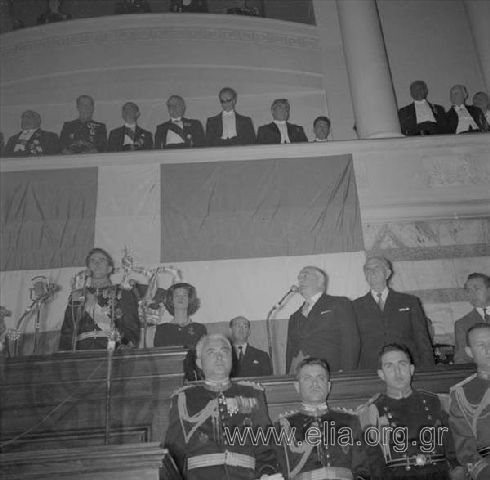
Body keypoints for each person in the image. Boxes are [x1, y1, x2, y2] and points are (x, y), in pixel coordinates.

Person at [164, 333, 282, 480]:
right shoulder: (184, 399)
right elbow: (173, 454)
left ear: (232, 360)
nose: (219, 357)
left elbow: (266, 447)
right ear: (199, 362)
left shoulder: (252, 394)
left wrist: (267, 474)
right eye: (211, 352)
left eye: (224, 352)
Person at [358, 343, 463, 479]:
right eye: (389, 366)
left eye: (402, 364)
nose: (397, 371)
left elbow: (453, 451)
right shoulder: (372, 412)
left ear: (411, 369)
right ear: (381, 374)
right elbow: (374, 463)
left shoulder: (436, 402)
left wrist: (458, 470)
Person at [276, 357, 372, 479]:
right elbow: (280, 473)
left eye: (320, 378)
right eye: (307, 378)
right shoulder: (283, 426)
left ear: (328, 386)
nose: (315, 383)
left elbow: (363, 470)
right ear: (297, 386)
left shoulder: (349, 421)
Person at [353, 256, 434, 369]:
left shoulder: (409, 302)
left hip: (406, 366)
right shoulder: (355, 306)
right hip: (371, 369)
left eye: (376, 267)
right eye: (367, 269)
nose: (372, 272)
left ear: (387, 273)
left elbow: (422, 338)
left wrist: (428, 369)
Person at [58, 248, 140, 351]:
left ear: (109, 268)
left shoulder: (122, 293)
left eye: (102, 260)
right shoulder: (77, 295)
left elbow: (131, 326)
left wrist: (128, 346)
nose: (97, 263)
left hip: (113, 352)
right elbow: (67, 330)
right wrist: (64, 355)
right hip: (81, 355)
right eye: (92, 260)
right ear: (88, 268)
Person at [285, 266, 359, 374]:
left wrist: (347, 372)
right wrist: (288, 375)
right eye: (299, 277)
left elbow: (350, 340)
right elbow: (290, 351)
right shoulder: (294, 316)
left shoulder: (339, 303)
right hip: (299, 375)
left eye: (305, 275)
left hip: (330, 371)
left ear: (320, 282)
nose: (300, 280)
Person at [449, 323, 490, 480]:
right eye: (481, 345)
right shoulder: (461, 394)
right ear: (469, 352)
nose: (488, 350)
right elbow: (466, 451)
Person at [153, 282, 206, 348]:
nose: (181, 298)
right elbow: (159, 355)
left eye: (184, 295)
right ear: (171, 300)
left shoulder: (200, 328)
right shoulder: (161, 329)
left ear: (189, 300)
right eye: (177, 295)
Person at [454, 273, 490, 364]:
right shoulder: (462, 324)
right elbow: (461, 359)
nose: (472, 294)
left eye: (477, 289)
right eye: (469, 291)